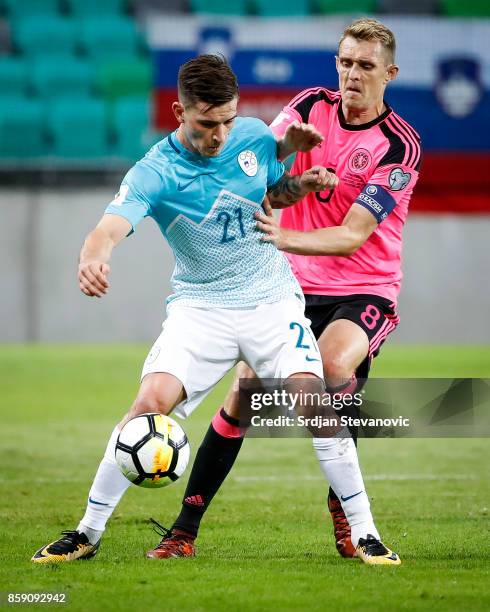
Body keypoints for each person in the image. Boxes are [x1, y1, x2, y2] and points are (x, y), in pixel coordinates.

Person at [31, 54, 341, 564]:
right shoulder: (155, 170)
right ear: (178, 111)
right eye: (205, 123)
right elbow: (110, 226)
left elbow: (267, 195)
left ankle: (360, 528)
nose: (219, 134)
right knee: (148, 403)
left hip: (267, 298)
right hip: (202, 305)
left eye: (226, 121)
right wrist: (93, 256)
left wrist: (296, 177)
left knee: (311, 402)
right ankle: (86, 533)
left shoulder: (253, 135)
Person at [163, 17, 419, 566]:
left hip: (364, 289)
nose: (352, 74)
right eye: (346, 62)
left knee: (328, 371)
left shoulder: (399, 146)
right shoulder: (307, 107)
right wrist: (288, 181)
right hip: (287, 287)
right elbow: (262, 169)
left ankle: (347, 514)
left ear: (390, 74)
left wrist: (283, 234)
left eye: (366, 66)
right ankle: (182, 531)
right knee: (245, 395)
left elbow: (353, 235)